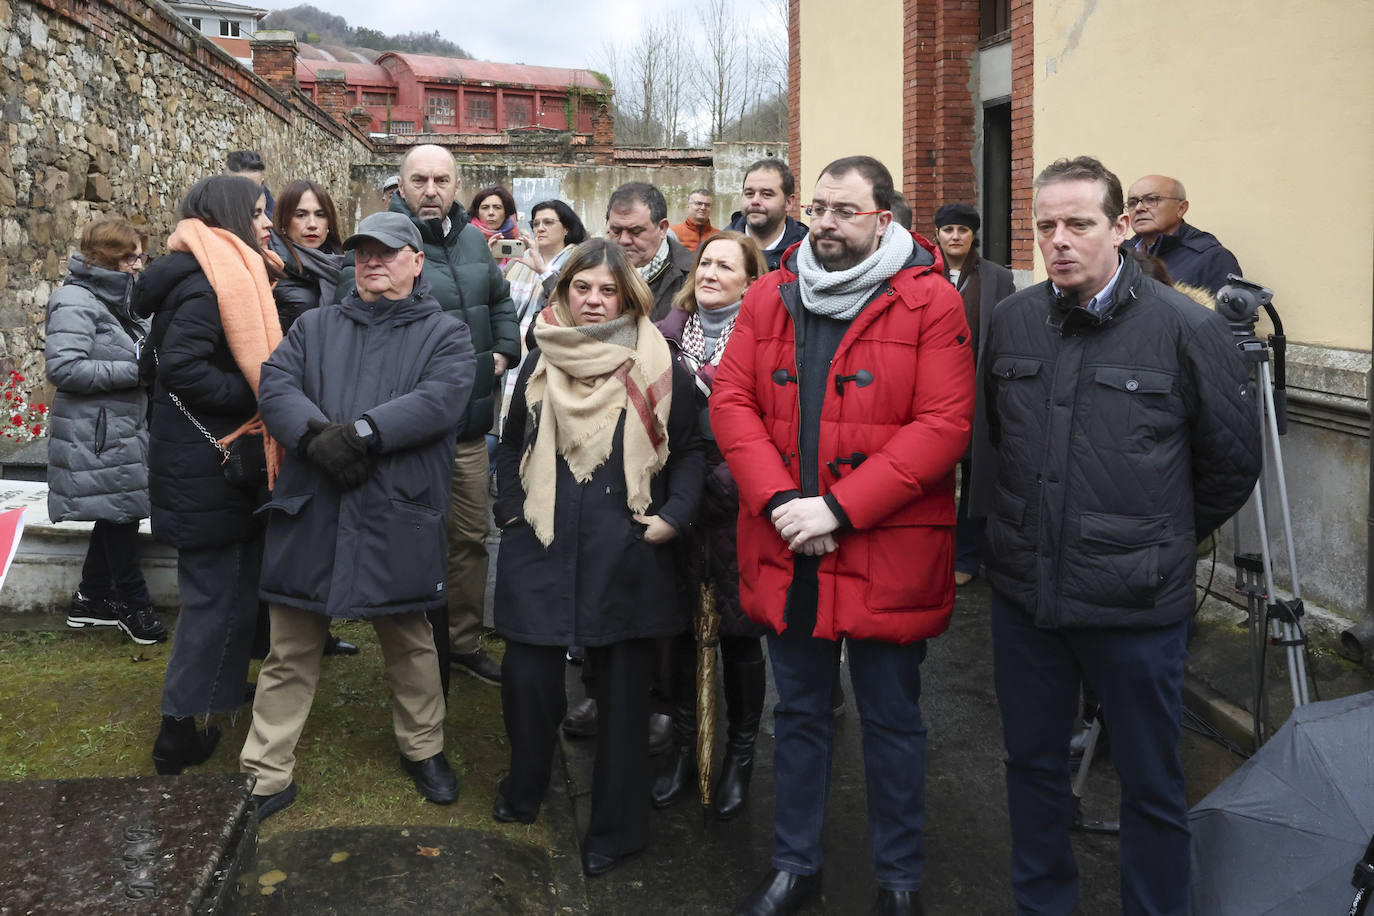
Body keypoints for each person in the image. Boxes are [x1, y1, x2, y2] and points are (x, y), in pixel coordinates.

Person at [983, 156, 1261, 916]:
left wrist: (1155, 538)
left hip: (1137, 607)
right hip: (1028, 599)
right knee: (1032, 768)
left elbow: (1231, 465)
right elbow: (1002, 440)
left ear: (1120, 228)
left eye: (1078, 223)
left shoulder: (1188, 328)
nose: (1059, 240)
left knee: (1150, 783)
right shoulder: (1011, 319)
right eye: (1046, 226)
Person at [713, 156, 974, 916]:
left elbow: (944, 425)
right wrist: (783, 503)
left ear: (883, 219)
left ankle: (899, 882)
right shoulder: (771, 292)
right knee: (797, 713)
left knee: (894, 724)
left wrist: (839, 509)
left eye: (845, 210)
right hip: (786, 544)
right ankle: (796, 867)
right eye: (819, 207)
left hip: (886, 548)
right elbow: (732, 401)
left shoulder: (931, 303)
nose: (825, 222)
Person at [240, 210, 477, 820]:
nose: (372, 261)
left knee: (409, 639)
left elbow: (442, 398)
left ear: (416, 260)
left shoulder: (445, 333)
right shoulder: (316, 325)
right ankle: (265, 772)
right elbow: (276, 384)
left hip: (393, 508)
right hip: (315, 502)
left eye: (387, 252)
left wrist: (364, 434)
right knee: (291, 646)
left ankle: (423, 748)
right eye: (363, 252)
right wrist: (319, 438)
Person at [491, 238, 703, 877]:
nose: (593, 300)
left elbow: (693, 450)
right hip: (542, 540)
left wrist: (672, 517)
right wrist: (509, 511)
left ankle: (618, 828)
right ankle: (525, 787)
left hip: (627, 545)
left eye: (607, 290)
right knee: (527, 679)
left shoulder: (663, 363)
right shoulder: (539, 357)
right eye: (582, 287)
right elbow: (509, 446)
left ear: (629, 296)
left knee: (622, 699)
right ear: (564, 290)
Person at [337, 144, 518, 690]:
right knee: (410, 537)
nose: (431, 190)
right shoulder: (378, 245)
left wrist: (503, 353)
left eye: (442, 179)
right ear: (402, 183)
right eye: (420, 180)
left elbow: (499, 301)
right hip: (406, 434)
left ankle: (461, 641)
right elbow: (356, 320)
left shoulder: (471, 240)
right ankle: (414, 646)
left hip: (466, 430)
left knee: (468, 538)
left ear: (457, 183)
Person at [136, 175, 280, 776]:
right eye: (257, 212)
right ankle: (177, 731)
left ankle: (215, 695)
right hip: (210, 466)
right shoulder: (206, 285)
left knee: (233, 589)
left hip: (209, 465)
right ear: (229, 216)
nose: (268, 223)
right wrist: (255, 394)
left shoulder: (219, 273)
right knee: (212, 598)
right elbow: (181, 369)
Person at [652, 230, 770, 819]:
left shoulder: (770, 342)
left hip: (740, 513)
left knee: (741, 634)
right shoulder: (665, 339)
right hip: (678, 511)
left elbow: (775, 430)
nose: (711, 272)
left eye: (727, 265)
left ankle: (740, 755)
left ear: (752, 280)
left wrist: (722, 485)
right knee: (676, 632)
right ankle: (681, 746)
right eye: (706, 262)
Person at [47, 218, 167, 645]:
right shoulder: (75, 300)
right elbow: (63, 367)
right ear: (103, 257)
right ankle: (134, 607)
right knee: (122, 513)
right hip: (97, 430)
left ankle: (91, 599)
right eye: (129, 256)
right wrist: (136, 370)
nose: (138, 265)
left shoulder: (126, 298)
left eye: (141, 255)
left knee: (121, 510)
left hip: (123, 426)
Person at [268, 179, 358, 658]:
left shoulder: (344, 267)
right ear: (283, 221)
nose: (311, 225)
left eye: (320, 215)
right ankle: (282, 636)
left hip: (334, 403)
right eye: (301, 216)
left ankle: (318, 631)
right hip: (292, 407)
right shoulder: (276, 271)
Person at [932, 202, 1015, 587]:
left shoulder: (996, 278)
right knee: (931, 475)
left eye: (962, 231)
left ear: (973, 236)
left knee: (977, 475)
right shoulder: (921, 272)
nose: (955, 237)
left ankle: (966, 554)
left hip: (978, 390)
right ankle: (932, 554)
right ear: (938, 234)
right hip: (929, 394)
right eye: (948, 230)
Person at [500, 199, 587, 423]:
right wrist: (494, 262)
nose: (540, 228)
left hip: (550, 354)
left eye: (548, 222)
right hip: (510, 355)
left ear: (566, 228)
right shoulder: (517, 263)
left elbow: (570, 303)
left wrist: (542, 271)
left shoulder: (579, 262)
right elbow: (499, 303)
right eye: (535, 223)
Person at [1122, 173, 1242, 294]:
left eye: (1151, 200)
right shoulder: (1120, 254)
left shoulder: (1212, 258)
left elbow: (1230, 312)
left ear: (1181, 208)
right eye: (1132, 202)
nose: (1138, 208)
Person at [605, 181, 694, 321]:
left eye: (636, 231)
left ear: (662, 228)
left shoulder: (693, 277)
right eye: (616, 231)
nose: (624, 240)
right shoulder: (591, 270)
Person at [726, 158, 809, 271]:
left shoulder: (809, 255)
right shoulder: (717, 248)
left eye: (766, 194)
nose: (755, 201)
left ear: (788, 203)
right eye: (749, 193)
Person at [469, 186, 521, 266]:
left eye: (497, 207)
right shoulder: (464, 239)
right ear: (477, 212)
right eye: (485, 207)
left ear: (506, 212)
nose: (491, 213)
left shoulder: (520, 240)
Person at [227, 150, 273, 218]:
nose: (243, 196)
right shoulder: (210, 219)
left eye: (251, 189)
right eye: (236, 189)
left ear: (262, 185)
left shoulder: (273, 222)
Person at [669, 188, 717, 253]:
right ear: (688, 206)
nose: (703, 207)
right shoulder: (672, 233)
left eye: (707, 205)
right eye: (698, 203)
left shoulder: (718, 235)